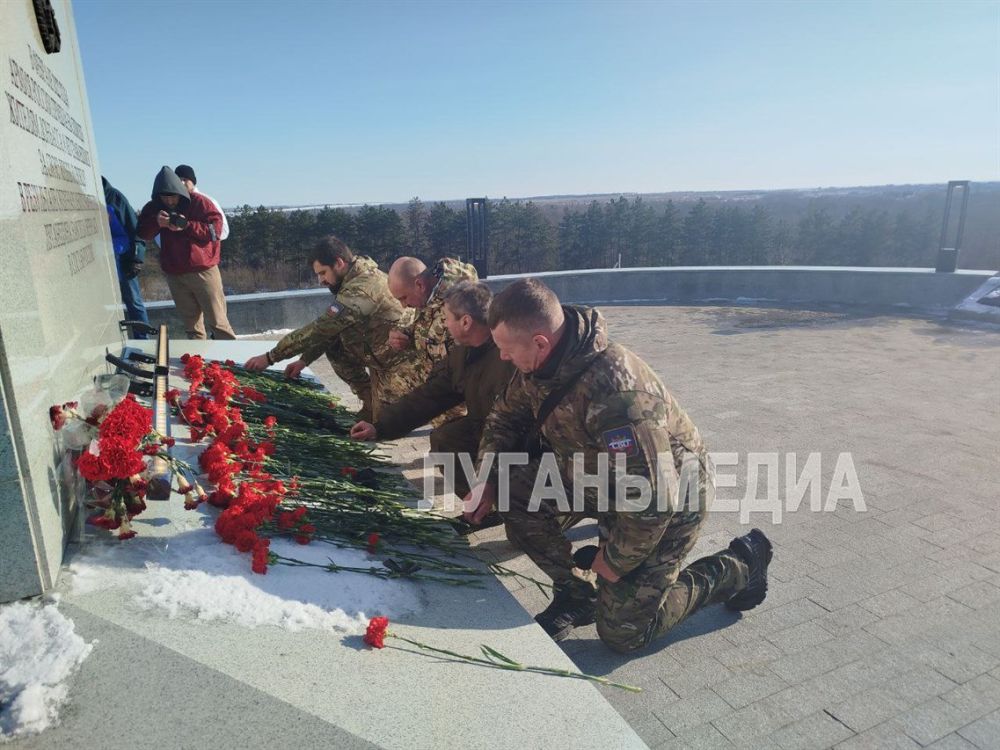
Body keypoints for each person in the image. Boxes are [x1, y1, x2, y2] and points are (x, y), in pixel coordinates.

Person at [462, 278, 773, 652]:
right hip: (594, 473)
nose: (503, 358)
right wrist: (487, 477)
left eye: (506, 350)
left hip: (668, 498)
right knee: (517, 501)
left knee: (624, 633)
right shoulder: (538, 365)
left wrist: (613, 560)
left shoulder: (618, 397)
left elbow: (656, 499)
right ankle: (576, 596)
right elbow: (504, 417)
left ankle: (738, 566)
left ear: (540, 342)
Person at [350, 281, 515, 500]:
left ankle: (517, 505)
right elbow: (429, 396)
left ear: (466, 322)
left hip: (525, 439)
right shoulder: (462, 355)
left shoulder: (509, 355)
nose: (445, 325)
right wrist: (379, 427)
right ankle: (481, 507)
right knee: (447, 438)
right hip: (489, 428)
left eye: (447, 318)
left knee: (524, 508)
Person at [243, 236, 422, 422]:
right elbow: (332, 330)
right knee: (336, 347)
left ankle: (395, 399)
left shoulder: (361, 289)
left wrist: (270, 357)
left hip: (401, 362)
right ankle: (370, 400)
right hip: (382, 350)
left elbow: (321, 328)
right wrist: (305, 360)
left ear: (339, 262)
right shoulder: (353, 279)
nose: (321, 280)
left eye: (323, 273)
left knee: (386, 425)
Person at [136, 166, 236, 340]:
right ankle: (199, 363)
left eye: (173, 196)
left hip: (203, 271)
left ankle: (229, 362)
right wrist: (156, 223)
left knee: (218, 323)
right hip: (175, 273)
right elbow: (142, 233)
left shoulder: (200, 202)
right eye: (165, 197)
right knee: (192, 327)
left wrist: (186, 225)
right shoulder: (153, 208)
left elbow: (215, 232)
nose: (170, 201)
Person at [387, 256, 479, 426]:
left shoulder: (457, 304)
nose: (403, 305)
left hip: (456, 388)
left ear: (419, 285)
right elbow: (420, 321)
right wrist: (403, 334)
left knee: (450, 437)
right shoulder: (427, 294)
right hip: (437, 378)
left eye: (404, 298)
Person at [102, 176, 150, 338]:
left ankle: (143, 341)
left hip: (122, 260)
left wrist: (137, 258)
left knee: (134, 303)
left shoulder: (114, 197)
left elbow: (134, 228)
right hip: (100, 262)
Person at [174, 164, 229, 241]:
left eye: (185, 179)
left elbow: (223, 232)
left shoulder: (208, 201)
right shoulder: (172, 202)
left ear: (193, 181)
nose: (182, 183)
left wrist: (197, 239)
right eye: (178, 180)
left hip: (204, 251)